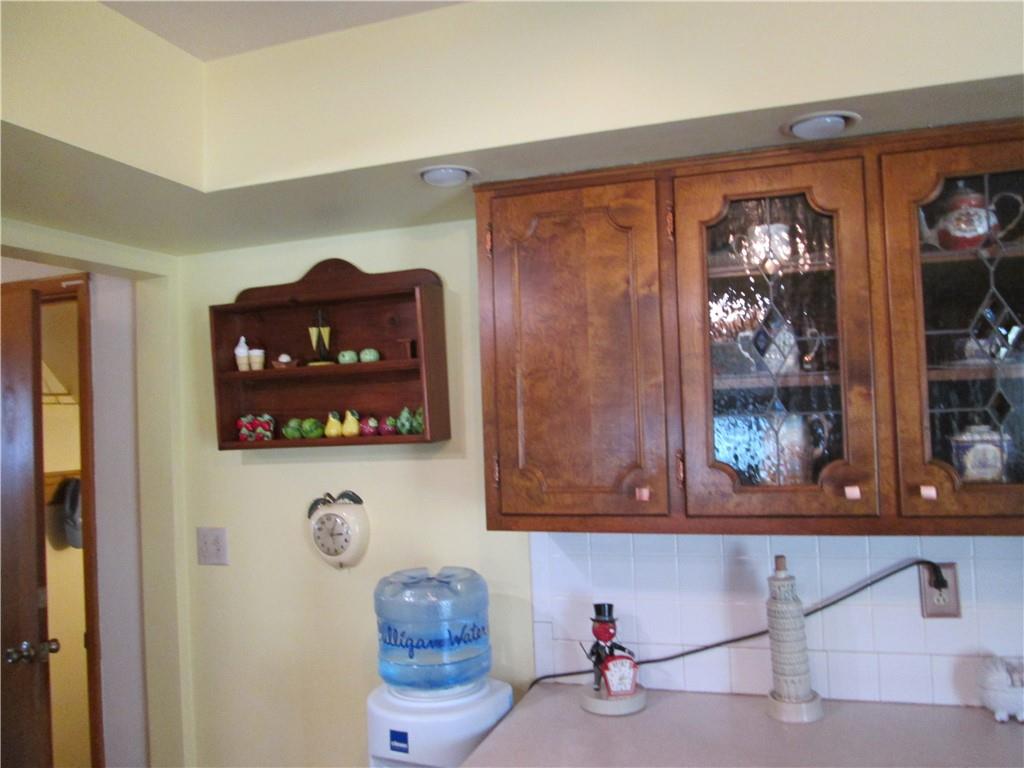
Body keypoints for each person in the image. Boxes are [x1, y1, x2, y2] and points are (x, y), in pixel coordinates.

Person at [585, 603, 634, 692]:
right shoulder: (597, 645)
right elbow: (592, 651)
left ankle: (612, 685)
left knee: (613, 675)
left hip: (612, 664)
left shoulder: (611, 644)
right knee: (597, 672)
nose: (606, 629)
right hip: (599, 663)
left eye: (610, 625)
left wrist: (627, 651)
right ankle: (597, 683)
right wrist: (590, 655)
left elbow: (619, 647)